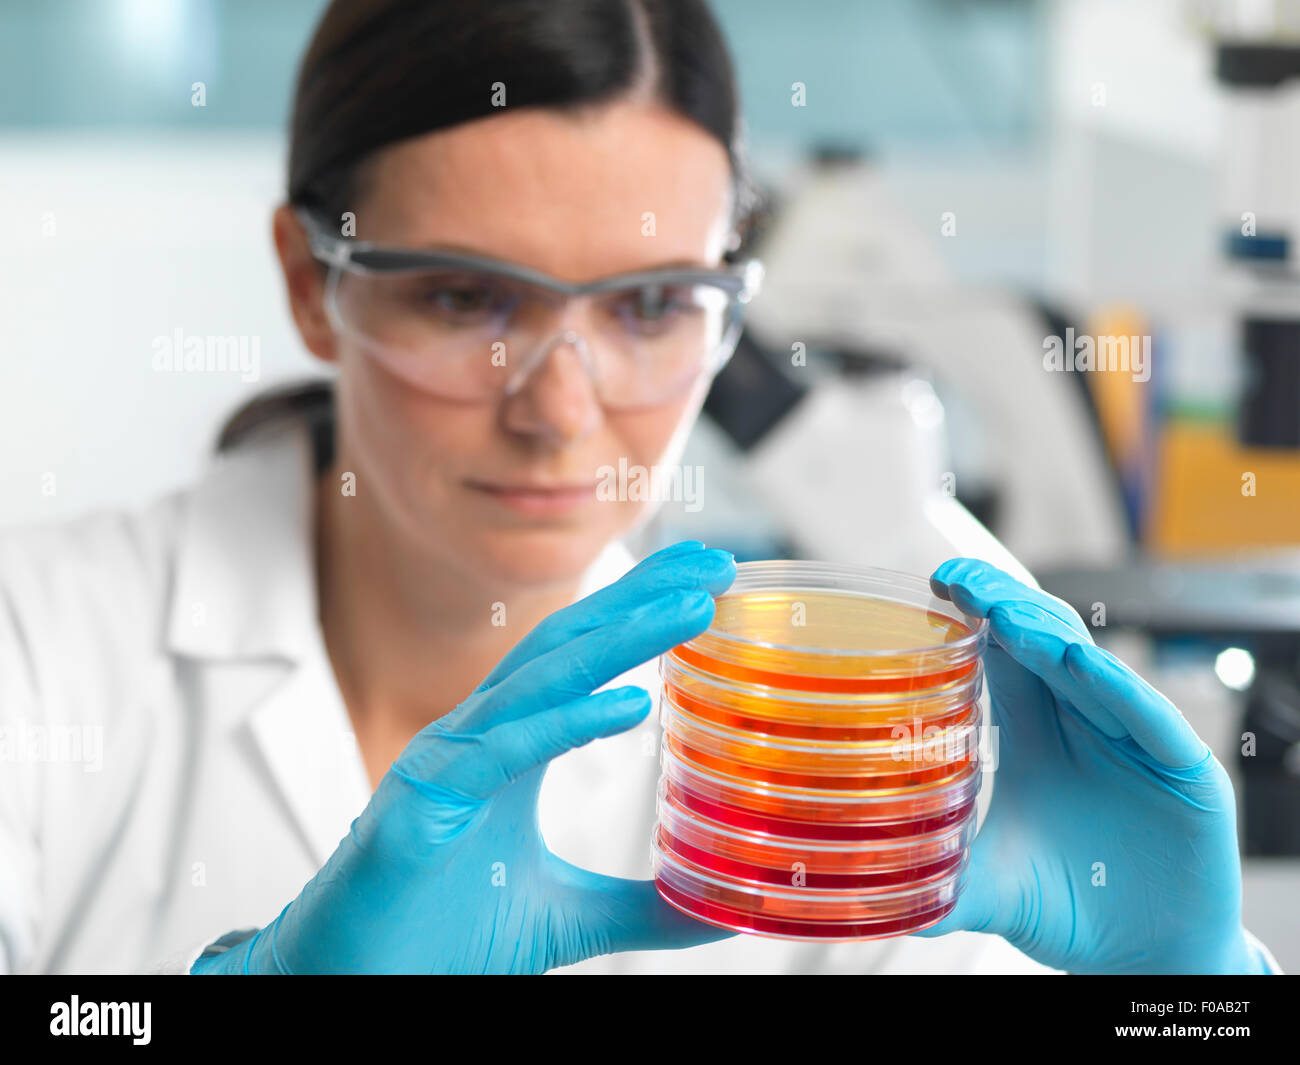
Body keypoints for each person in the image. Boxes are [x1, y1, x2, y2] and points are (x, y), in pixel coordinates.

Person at [0, 0, 1281, 976]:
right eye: (463, 296)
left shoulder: (800, 759)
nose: (559, 408)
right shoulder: (41, 651)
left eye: (654, 304)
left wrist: (1188, 992)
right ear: (306, 282)